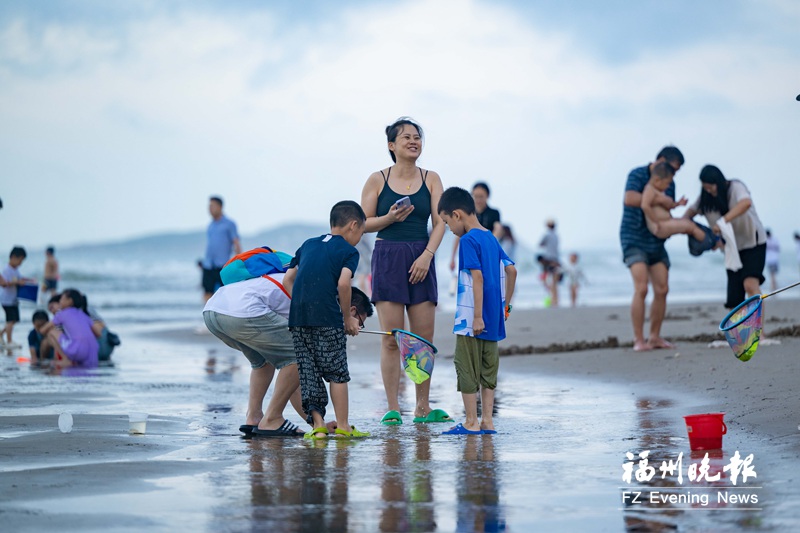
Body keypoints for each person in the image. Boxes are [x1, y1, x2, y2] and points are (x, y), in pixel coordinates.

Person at [204, 266, 372, 438]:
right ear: (351, 311)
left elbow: (292, 381)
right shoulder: (323, 300)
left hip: (213, 311)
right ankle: (271, 419)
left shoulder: (317, 286)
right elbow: (299, 365)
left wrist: (317, 424)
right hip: (243, 311)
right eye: (359, 322)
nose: (357, 328)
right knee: (298, 356)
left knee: (264, 362)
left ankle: (254, 416)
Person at [360, 117, 451, 426]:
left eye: (417, 137)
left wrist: (427, 255)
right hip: (387, 256)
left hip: (421, 255)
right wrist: (389, 218)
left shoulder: (432, 178)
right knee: (391, 338)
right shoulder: (377, 179)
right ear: (392, 145)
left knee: (422, 339)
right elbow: (363, 223)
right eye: (406, 138)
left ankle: (423, 406)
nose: (414, 141)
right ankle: (392, 407)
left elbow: (441, 222)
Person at [283, 200, 373, 439]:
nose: (359, 237)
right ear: (353, 226)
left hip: (299, 318)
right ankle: (343, 427)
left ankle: (319, 427)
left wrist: (302, 302)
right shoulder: (348, 251)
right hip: (328, 319)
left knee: (309, 372)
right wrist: (347, 319)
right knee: (337, 372)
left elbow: (288, 279)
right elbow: (344, 283)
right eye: (362, 232)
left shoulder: (308, 245)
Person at [437, 187, 516, 435]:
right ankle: (487, 422)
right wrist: (506, 306)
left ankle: (471, 421)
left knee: (466, 365)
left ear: (457, 215)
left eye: (447, 222)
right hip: (494, 315)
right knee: (488, 367)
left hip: (473, 316)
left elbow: (477, 278)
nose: (449, 229)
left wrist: (477, 316)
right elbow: (511, 270)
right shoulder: (491, 238)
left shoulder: (468, 240)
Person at [620, 146, 685, 352]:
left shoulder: (670, 183)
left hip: (656, 238)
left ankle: (654, 337)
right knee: (641, 288)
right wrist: (657, 199)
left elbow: (667, 211)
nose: (673, 175)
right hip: (633, 237)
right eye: (673, 169)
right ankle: (639, 340)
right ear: (660, 160)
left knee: (662, 288)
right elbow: (630, 199)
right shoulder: (638, 174)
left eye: (676, 172)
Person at [682, 164, 767, 309]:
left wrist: (722, 222)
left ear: (719, 182)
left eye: (711, 187)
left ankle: (758, 331)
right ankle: (739, 331)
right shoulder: (704, 198)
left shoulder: (735, 187)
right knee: (734, 299)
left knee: (750, 285)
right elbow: (687, 216)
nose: (709, 191)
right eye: (705, 188)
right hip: (731, 249)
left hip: (753, 241)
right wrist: (708, 238)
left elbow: (745, 203)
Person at [641, 162, 717, 249]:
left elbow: (668, 205)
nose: (668, 186)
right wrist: (655, 222)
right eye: (667, 183)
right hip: (660, 226)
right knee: (690, 226)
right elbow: (645, 206)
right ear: (657, 180)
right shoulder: (650, 189)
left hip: (666, 222)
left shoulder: (659, 191)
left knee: (688, 223)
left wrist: (678, 204)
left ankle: (708, 239)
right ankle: (711, 243)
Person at [448, 182, 504, 271]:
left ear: (487, 196)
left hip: (488, 252)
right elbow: (459, 235)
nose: (478, 200)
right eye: (475, 196)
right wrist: (452, 258)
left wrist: (488, 244)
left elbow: (498, 228)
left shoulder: (494, 213)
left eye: (481, 197)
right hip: (470, 252)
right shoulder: (467, 213)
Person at [37, 288, 99, 369]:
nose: (60, 302)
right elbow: (98, 333)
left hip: (78, 351)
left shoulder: (62, 314)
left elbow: (43, 330)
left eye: (62, 299)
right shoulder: (83, 315)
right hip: (93, 352)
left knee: (51, 333)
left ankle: (66, 360)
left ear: (70, 301)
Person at [200, 196, 241, 302]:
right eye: (209, 206)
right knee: (207, 292)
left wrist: (239, 262)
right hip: (208, 264)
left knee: (225, 293)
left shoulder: (229, 224)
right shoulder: (210, 225)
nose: (210, 209)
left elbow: (236, 243)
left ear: (220, 207)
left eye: (212, 206)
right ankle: (206, 316)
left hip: (222, 265)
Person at [1, 246, 35, 348]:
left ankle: (1, 333)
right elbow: (3, 283)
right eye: (20, 260)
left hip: (13, 299)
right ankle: (9, 341)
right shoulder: (6, 270)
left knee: (15, 320)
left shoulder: (15, 270)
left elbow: (20, 278)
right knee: (10, 320)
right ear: (13, 257)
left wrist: (28, 280)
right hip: (6, 299)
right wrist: (16, 282)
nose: (20, 263)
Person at [539, 218, 561, 307]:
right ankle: (556, 300)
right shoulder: (556, 235)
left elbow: (540, 244)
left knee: (545, 279)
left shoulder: (546, 235)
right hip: (556, 259)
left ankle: (552, 298)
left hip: (548, 260)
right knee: (555, 282)